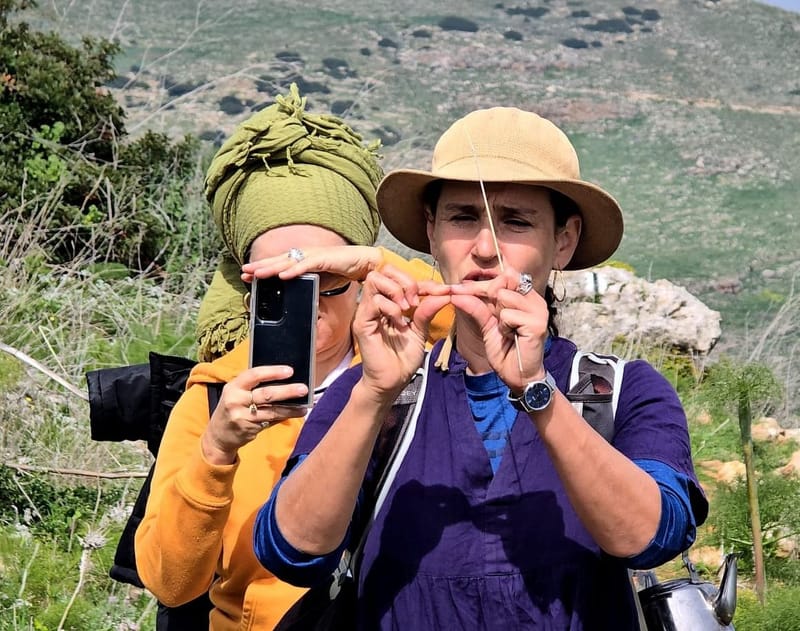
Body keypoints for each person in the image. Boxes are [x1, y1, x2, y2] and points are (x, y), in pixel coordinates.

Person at [253, 106, 709, 629]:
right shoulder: (374, 390)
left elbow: (652, 537)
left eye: (515, 221)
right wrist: (374, 393)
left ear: (563, 240)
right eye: (463, 217)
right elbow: (290, 552)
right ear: (431, 233)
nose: (486, 249)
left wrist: (536, 389)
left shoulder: (621, 392)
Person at [133, 85, 451, 630]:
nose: (306, 300)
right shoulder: (214, 397)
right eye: (276, 282)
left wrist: (379, 261)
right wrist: (217, 451)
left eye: (324, 278)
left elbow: (480, 316)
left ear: (358, 278)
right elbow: (169, 582)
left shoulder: (415, 367)